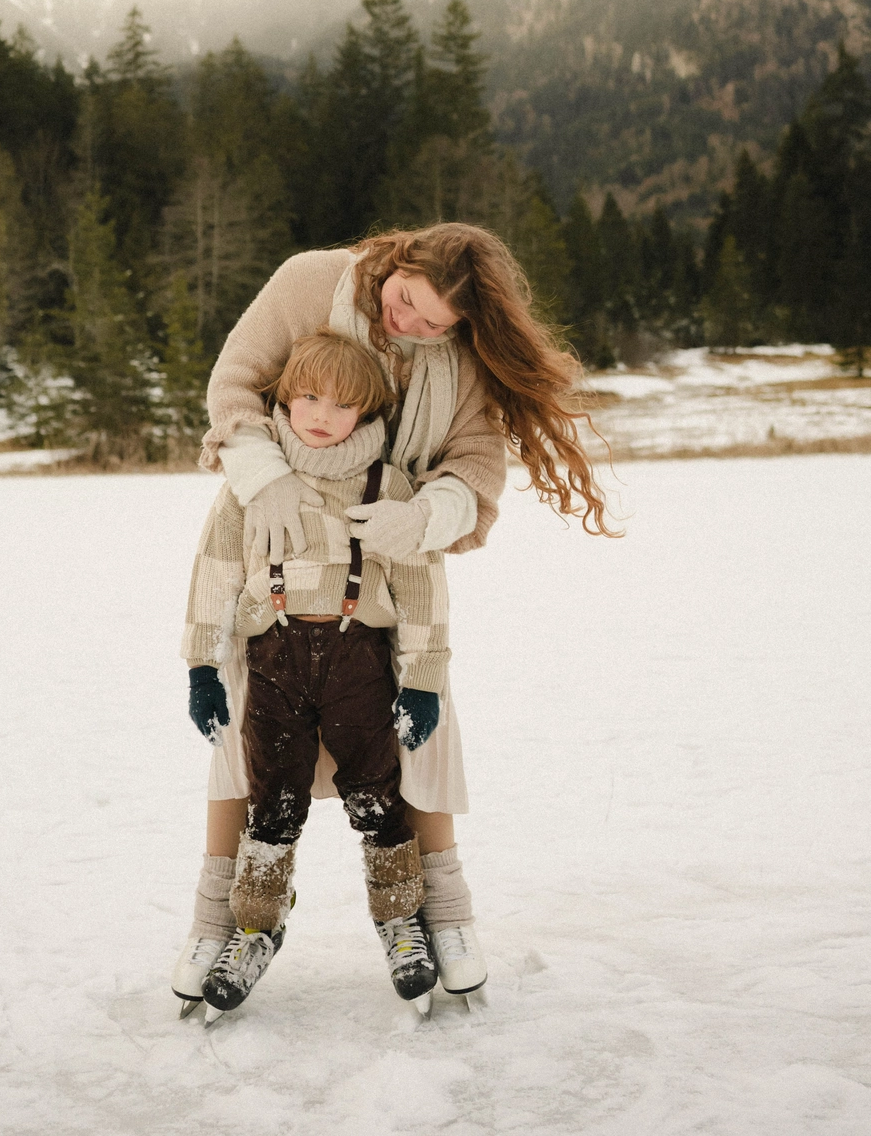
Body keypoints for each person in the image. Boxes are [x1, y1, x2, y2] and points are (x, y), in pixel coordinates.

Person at [172, 223, 611, 1012]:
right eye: (407, 301)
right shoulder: (312, 279)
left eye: (438, 324)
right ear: (396, 261)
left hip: (387, 576)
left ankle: (437, 915)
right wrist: (260, 475)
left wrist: (427, 516)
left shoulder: (462, 361)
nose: (412, 325)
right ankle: (222, 919)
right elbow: (235, 380)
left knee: (420, 745)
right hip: (277, 554)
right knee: (244, 749)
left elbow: (475, 464)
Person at [175, 329, 451, 1016]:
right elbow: (214, 575)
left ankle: (400, 922)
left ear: (367, 412)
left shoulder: (388, 484)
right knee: (272, 806)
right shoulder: (252, 485)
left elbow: (421, 587)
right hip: (273, 662)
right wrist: (202, 667)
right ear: (284, 397)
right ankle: (252, 928)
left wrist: (421, 679)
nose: (321, 414)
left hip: (359, 662)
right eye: (308, 396)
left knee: (377, 797)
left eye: (343, 403)